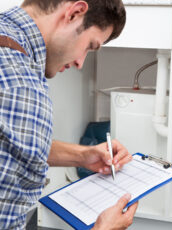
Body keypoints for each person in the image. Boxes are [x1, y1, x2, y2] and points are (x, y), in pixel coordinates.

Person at [0, 0, 138, 229]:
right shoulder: (23, 88)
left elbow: (7, 140)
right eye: (89, 46)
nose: (80, 63)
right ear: (74, 13)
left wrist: (82, 155)